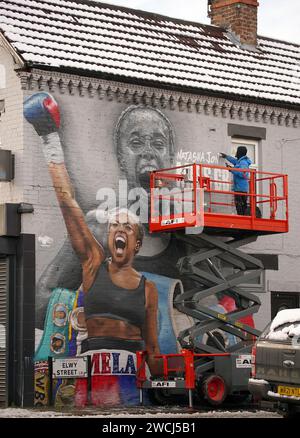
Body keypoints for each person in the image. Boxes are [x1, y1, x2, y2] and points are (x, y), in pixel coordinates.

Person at [23, 92, 161, 376]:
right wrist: (49, 138)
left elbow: (153, 345)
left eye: (127, 227)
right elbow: (67, 202)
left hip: (131, 373)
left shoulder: (148, 289)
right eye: (114, 227)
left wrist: (164, 384)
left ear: (137, 242)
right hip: (93, 367)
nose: (118, 230)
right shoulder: (93, 264)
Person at [220, 146, 252, 216]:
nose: (236, 153)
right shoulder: (240, 161)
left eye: (237, 151)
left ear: (240, 152)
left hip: (241, 189)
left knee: (240, 206)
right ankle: (242, 216)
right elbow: (234, 161)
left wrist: (231, 169)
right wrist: (226, 157)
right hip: (240, 188)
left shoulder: (243, 163)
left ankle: (242, 218)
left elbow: (243, 174)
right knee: (240, 205)